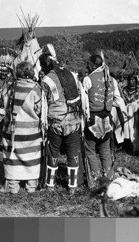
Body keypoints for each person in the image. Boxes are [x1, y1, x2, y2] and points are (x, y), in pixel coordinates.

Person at [39, 44, 85, 194]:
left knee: (53, 152)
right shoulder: (72, 75)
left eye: (41, 65)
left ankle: (50, 184)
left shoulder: (45, 80)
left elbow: (43, 103)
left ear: (45, 65)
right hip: (73, 120)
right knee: (73, 152)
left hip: (55, 122)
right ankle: (72, 187)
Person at [82, 54, 126, 184]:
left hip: (92, 118)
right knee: (105, 149)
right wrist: (108, 103)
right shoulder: (112, 80)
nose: (86, 66)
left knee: (90, 149)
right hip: (106, 118)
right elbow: (118, 101)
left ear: (94, 65)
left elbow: (84, 102)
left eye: (88, 64)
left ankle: (95, 178)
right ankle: (108, 176)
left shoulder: (87, 79)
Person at [0, 61, 42, 194]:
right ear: (30, 72)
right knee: (32, 157)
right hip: (31, 130)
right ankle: (31, 186)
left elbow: (3, 104)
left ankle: (13, 186)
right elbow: (40, 109)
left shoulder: (10, 87)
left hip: (12, 130)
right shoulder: (36, 88)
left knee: (12, 156)